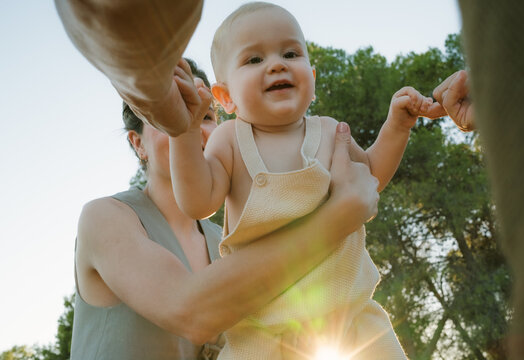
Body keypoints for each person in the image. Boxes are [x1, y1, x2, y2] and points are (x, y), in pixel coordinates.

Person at [168, 3, 446, 359]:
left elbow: (370, 177)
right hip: (262, 336)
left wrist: (397, 127)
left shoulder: (330, 132)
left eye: (290, 53)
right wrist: (184, 131)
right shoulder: (230, 140)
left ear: (312, 78)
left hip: (351, 323)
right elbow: (197, 202)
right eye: (253, 60)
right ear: (225, 97)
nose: (276, 64)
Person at [69, 58, 381, 360]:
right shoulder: (105, 218)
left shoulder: (230, 238)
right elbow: (191, 311)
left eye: (205, 117)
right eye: (171, 115)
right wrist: (340, 217)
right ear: (138, 143)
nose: (192, 127)